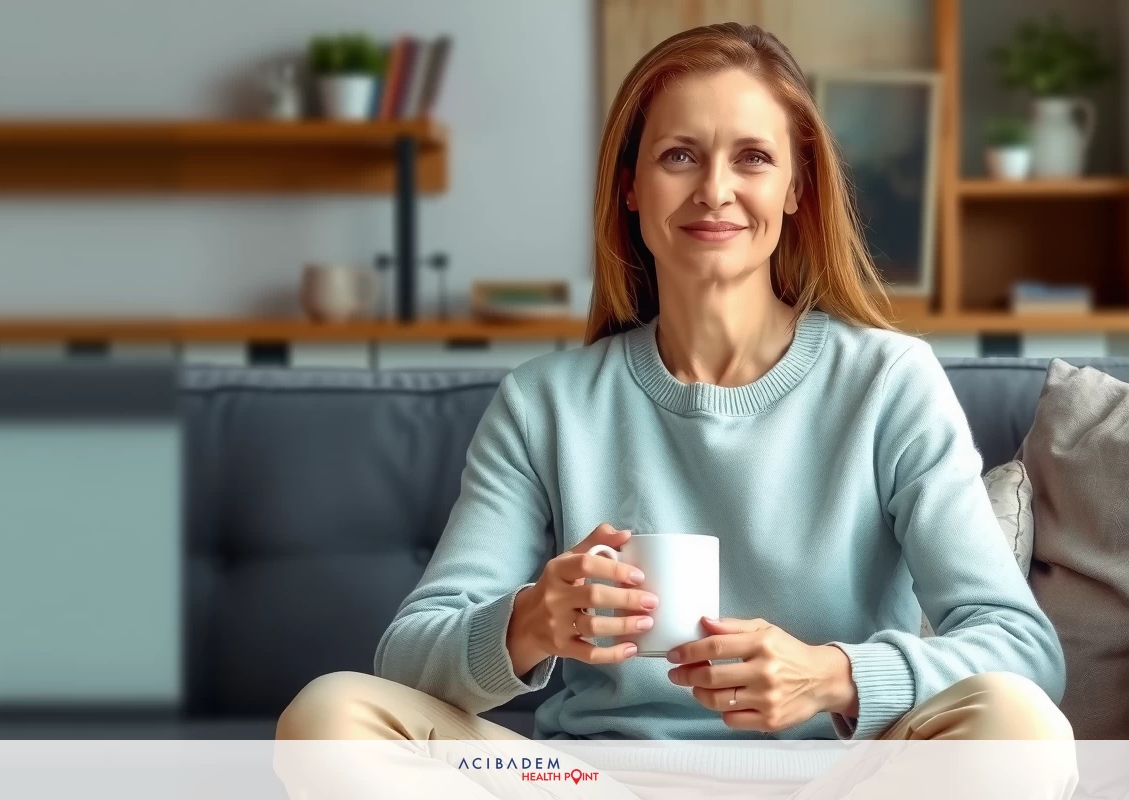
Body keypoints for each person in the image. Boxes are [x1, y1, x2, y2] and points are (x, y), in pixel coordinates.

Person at [274, 22, 1077, 800]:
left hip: (837, 785)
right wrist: (530, 621)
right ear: (631, 184)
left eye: (753, 158)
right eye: (679, 155)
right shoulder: (545, 402)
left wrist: (831, 675)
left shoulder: (889, 380)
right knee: (330, 719)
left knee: (1020, 726)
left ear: (797, 187)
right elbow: (408, 657)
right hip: (588, 787)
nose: (715, 191)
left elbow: (1020, 649)